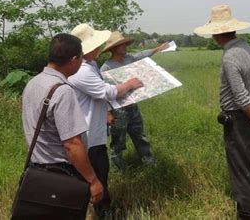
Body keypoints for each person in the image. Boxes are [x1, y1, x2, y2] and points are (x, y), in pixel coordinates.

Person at [194, 5, 250, 220]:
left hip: (239, 119)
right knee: (249, 166)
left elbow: (240, 98)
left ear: (217, 33)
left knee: (241, 173)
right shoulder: (247, 48)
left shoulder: (229, 57)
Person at [21, 33, 104, 219]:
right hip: (60, 175)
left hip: (36, 171)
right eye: (81, 57)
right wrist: (93, 181)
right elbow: (72, 144)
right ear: (74, 60)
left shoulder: (33, 83)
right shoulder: (62, 91)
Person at [68, 24, 143, 218]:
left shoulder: (91, 65)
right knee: (92, 177)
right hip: (86, 135)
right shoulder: (81, 71)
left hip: (96, 131)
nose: (99, 48)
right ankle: (98, 211)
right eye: (96, 45)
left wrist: (108, 112)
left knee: (102, 172)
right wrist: (129, 84)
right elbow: (105, 91)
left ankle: (104, 209)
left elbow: (100, 97)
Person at [100, 31, 168, 169]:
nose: (124, 47)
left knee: (140, 137)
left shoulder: (129, 59)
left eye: (125, 44)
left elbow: (142, 55)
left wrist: (157, 49)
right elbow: (104, 93)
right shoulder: (106, 68)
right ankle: (119, 170)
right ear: (113, 48)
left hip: (133, 106)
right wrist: (108, 113)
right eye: (121, 45)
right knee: (118, 142)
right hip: (118, 110)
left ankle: (150, 164)